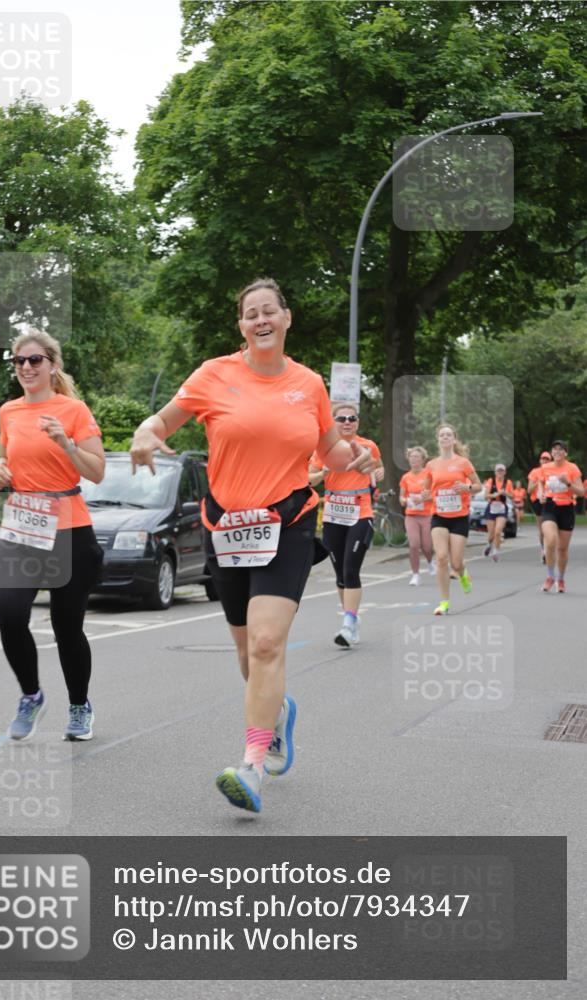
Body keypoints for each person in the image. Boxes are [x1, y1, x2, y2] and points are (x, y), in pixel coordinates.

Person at [129, 278, 377, 814]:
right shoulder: (214, 375)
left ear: (287, 319)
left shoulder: (309, 385)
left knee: (267, 644)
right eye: (250, 314)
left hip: (287, 523)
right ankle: (278, 712)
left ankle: (252, 766)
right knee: (247, 653)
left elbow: (329, 447)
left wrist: (351, 457)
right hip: (227, 529)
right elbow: (164, 418)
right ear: (241, 326)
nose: (260, 320)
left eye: (270, 311)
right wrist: (146, 433)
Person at [0, 329, 105, 741]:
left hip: (68, 528)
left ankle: (79, 705)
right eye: (18, 361)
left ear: (52, 365)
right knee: (8, 613)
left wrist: (67, 443)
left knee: (66, 627)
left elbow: (96, 471)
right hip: (21, 525)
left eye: (34, 360)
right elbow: (6, 464)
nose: (25, 367)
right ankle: (31, 695)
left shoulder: (73, 410)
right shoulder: (8, 412)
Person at [308, 403, 383, 646]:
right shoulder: (322, 449)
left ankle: (348, 624)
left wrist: (377, 471)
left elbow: (376, 466)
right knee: (340, 574)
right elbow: (308, 478)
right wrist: (324, 472)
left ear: (358, 422)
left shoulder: (368, 445)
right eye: (341, 419)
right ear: (333, 422)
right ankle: (351, 618)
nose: (347, 422)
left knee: (351, 570)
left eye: (352, 418)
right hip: (333, 515)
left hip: (360, 512)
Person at [425, 424, 481, 616]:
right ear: (438, 439)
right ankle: (444, 603)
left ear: (454, 439)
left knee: (455, 563)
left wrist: (466, 488)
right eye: (442, 435)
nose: (445, 437)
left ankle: (463, 573)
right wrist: (424, 496)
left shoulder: (464, 463)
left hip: (459, 517)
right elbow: (426, 490)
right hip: (439, 515)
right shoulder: (431, 465)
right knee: (441, 558)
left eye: (449, 435)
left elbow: (478, 486)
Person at [537, 440, 583, 593]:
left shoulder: (572, 468)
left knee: (562, 549)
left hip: (567, 508)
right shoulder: (545, 468)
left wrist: (568, 483)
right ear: (551, 452)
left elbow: (581, 492)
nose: (557, 451)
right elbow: (540, 483)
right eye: (554, 449)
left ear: (566, 453)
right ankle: (550, 576)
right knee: (550, 540)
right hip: (549, 506)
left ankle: (561, 579)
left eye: (560, 449)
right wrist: (540, 493)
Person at [399, 446, 434, 586]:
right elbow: (401, 497)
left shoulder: (428, 475)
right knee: (414, 545)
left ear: (422, 460)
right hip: (411, 515)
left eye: (417, 457)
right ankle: (415, 574)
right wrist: (404, 500)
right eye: (412, 457)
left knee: (427, 546)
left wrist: (422, 499)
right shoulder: (405, 477)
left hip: (426, 514)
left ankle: (431, 563)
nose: (414, 460)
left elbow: (434, 495)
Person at [482, 463, 513, 561]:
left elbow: (512, 495)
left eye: (502, 471)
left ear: (505, 472)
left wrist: (505, 493)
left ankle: (495, 552)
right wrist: (496, 494)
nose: (500, 472)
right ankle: (489, 544)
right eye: (498, 471)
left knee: (498, 531)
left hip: (502, 509)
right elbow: (485, 496)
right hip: (491, 508)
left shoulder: (508, 482)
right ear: (495, 472)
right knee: (491, 534)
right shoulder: (491, 481)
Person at [527, 451, 552, 563]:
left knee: (549, 528)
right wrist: (539, 482)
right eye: (543, 459)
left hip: (549, 500)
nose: (545, 461)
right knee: (542, 530)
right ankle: (543, 549)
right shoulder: (534, 472)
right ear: (540, 460)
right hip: (537, 501)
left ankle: (548, 551)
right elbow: (529, 490)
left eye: (547, 459)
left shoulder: (553, 472)